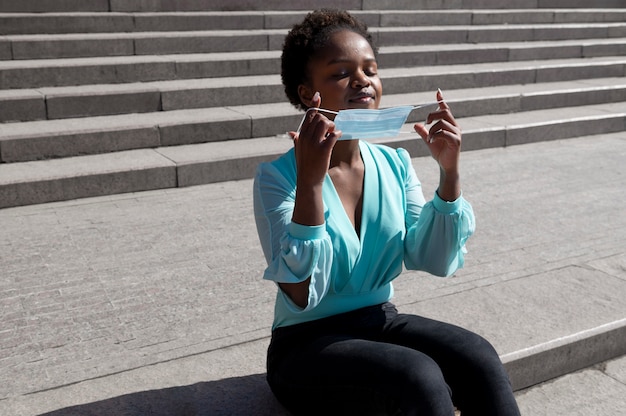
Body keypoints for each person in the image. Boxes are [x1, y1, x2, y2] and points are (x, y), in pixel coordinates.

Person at [253, 9, 521, 416]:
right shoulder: (278, 177)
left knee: (477, 356)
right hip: (304, 345)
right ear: (309, 94)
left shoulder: (394, 164)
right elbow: (300, 292)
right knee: (417, 375)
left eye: (370, 69)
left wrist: (449, 174)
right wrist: (311, 183)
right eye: (342, 72)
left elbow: (430, 258)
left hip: (378, 321)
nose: (363, 80)